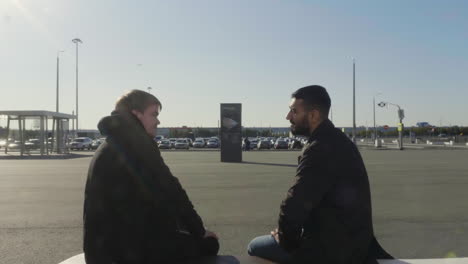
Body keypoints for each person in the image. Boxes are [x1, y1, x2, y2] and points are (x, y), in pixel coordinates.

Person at [247, 85, 392, 264]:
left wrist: (285, 241)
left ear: (314, 115)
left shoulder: (320, 149)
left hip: (334, 250)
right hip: (353, 241)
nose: (288, 117)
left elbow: (294, 204)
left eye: (294, 111)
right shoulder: (338, 140)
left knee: (255, 247)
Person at [83, 90, 219, 264]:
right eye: (154, 114)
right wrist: (200, 231)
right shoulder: (138, 143)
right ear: (136, 115)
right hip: (124, 253)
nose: (158, 121)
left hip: (101, 251)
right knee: (210, 244)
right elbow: (172, 191)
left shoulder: (113, 141)